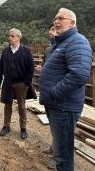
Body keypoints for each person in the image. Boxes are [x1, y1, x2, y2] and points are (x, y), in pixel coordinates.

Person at [39, 8, 92, 171]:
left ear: (72, 22)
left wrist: (54, 93)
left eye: (61, 18)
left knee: (63, 157)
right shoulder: (60, 43)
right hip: (56, 104)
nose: (56, 21)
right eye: (55, 18)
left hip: (64, 106)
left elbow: (79, 75)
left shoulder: (78, 42)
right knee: (60, 148)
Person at [0, 28, 35, 139]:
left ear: (18, 37)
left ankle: (23, 128)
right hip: (8, 83)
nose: (10, 38)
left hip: (21, 84)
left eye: (12, 36)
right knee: (7, 105)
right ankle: (6, 126)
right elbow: (1, 67)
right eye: (9, 36)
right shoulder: (5, 51)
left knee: (21, 106)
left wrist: (27, 82)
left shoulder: (26, 51)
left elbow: (31, 67)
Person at [35, 23, 58, 169]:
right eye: (50, 29)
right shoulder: (49, 50)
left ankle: (59, 157)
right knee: (53, 123)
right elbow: (46, 67)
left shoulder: (64, 48)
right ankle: (54, 147)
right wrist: (41, 69)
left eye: (54, 29)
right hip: (48, 93)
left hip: (58, 94)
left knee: (61, 126)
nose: (50, 31)